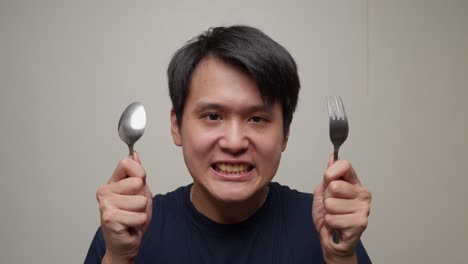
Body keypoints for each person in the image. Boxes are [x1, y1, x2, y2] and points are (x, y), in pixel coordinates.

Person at [85, 25, 372, 264]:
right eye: (213, 116)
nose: (234, 142)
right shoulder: (124, 231)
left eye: (257, 119)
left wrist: (340, 256)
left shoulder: (327, 227)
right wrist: (119, 256)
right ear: (177, 126)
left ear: (285, 133)